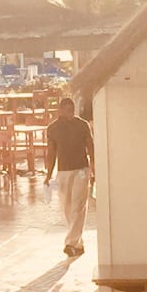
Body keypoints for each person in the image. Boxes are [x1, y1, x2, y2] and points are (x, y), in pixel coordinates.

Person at [45, 96, 94, 259]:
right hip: (63, 171)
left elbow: (90, 145)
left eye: (71, 110)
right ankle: (77, 243)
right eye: (66, 110)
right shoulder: (52, 128)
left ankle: (70, 243)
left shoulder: (82, 125)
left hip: (81, 170)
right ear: (60, 110)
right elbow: (51, 153)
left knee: (78, 205)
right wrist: (48, 174)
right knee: (66, 207)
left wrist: (93, 165)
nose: (69, 113)